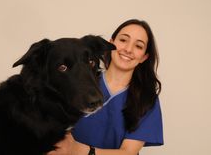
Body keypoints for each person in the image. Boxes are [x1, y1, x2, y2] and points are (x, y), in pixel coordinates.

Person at [48, 19, 163, 155]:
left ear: (144, 57)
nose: (128, 49)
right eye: (123, 40)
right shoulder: (74, 84)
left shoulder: (147, 100)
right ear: (111, 43)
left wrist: (80, 150)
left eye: (138, 46)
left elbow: (128, 152)